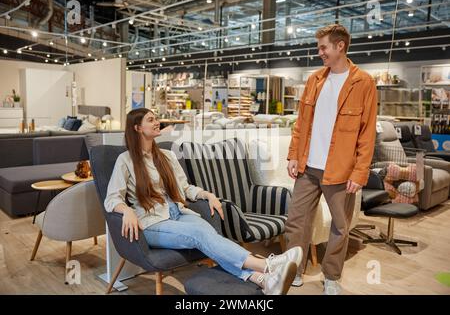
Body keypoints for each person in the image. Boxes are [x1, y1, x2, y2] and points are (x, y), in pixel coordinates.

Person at [105, 108, 302, 295]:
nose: (157, 122)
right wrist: (126, 211)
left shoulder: (167, 155)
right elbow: (112, 198)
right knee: (200, 233)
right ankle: (268, 265)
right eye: (151, 120)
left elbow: (185, 188)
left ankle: (263, 280)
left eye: (156, 118)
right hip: (151, 222)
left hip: (178, 213)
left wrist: (207, 195)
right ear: (137, 128)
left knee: (210, 235)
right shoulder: (126, 160)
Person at [285, 24, 377, 294]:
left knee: (340, 226)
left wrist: (360, 172)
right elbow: (301, 123)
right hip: (307, 167)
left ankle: (331, 276)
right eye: (319, 47)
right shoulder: (315, 80)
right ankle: (294, 270)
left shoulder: (363, 83)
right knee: (296, 221)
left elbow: (367, 132)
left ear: (340, 46)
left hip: (340, 171)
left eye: (323, 47)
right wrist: (293, 155)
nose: (320, 52)